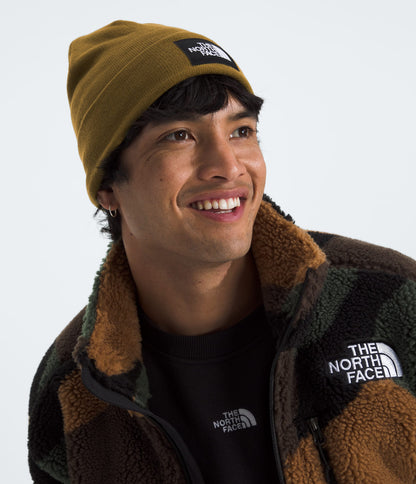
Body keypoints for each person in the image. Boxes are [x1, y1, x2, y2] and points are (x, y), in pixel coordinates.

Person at [28, 20, 416, 484]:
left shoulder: (391, 298)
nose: (228, 166)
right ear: (108, 186)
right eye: (179, 135)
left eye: (241, 130)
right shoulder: (73, 387)